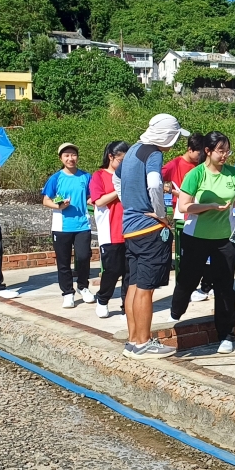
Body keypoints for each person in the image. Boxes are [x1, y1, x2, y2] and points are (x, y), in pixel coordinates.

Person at [120, 113, 189, 359]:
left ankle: (133, 340)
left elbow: (118, 178)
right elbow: (154, 183)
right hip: (149, 229)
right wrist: (161, 214)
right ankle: (143, 342)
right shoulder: (153, 153)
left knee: (134, 284)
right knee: (146, 289)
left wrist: (130, 203)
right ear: (167, 136)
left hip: (130, 227)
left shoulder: (132, 150)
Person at [171, 131, 235, 353]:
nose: (224, 156)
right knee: (188, 279)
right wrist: (210, 207)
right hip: (196, 236)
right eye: (220, 151)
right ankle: (176, 310)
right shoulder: (196, 175)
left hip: (225, 237)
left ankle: (226, 334)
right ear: (208, 151)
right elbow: (184, 206)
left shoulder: (234, 174)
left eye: (227, 151)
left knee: (224, 286)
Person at [42, 143, 94, 309]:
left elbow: (89, 196)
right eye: (66, 155)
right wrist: (59, 206)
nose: (70, 158)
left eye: (73, 155)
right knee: (63, 261)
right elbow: (46, 200)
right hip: (61, 226)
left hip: (83, 224)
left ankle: (83, 287)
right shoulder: (55, 178)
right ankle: (67, 293)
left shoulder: (86, 176)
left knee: (84, 257)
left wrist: (92, 201)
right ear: (61, 158)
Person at [163, 134, 212, 301]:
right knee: (188, 255)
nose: (201, 156)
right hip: (184, 214)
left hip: (203, 213)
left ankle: (207, 285)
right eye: (199, 153)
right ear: (190, 149)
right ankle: (186, 288)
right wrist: (172, 191)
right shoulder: (175, 164)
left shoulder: (202, 165)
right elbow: (157, 179)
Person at [90, 141, 130, 319]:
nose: (124, 164)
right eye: (121, 160)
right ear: (111, 157)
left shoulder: (129, 176)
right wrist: (118, 189)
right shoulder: (99, 175)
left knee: (130, 272)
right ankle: (103, 299)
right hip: (110, 231)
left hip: (130, 229)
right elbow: (99, 201)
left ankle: (126, 307)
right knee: (112, 271)